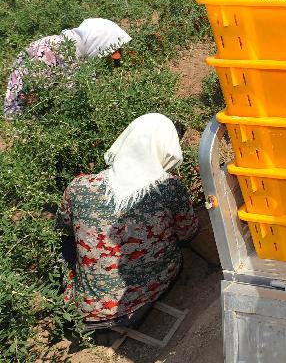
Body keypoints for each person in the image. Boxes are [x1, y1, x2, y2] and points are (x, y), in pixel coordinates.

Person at [57, 113, 199, 328]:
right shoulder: (169, 187)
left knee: (68, 242)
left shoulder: (79, 186)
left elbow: (64, 226)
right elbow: (188, 231)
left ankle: (78, 298)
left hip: (86, 307)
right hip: (136, 300)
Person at [3, 18, 132, 117]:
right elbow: (34, 99)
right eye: (110, 51)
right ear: (99, 43)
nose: (114, 57)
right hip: (26, 121)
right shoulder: (51, 51)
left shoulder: (82, 53)